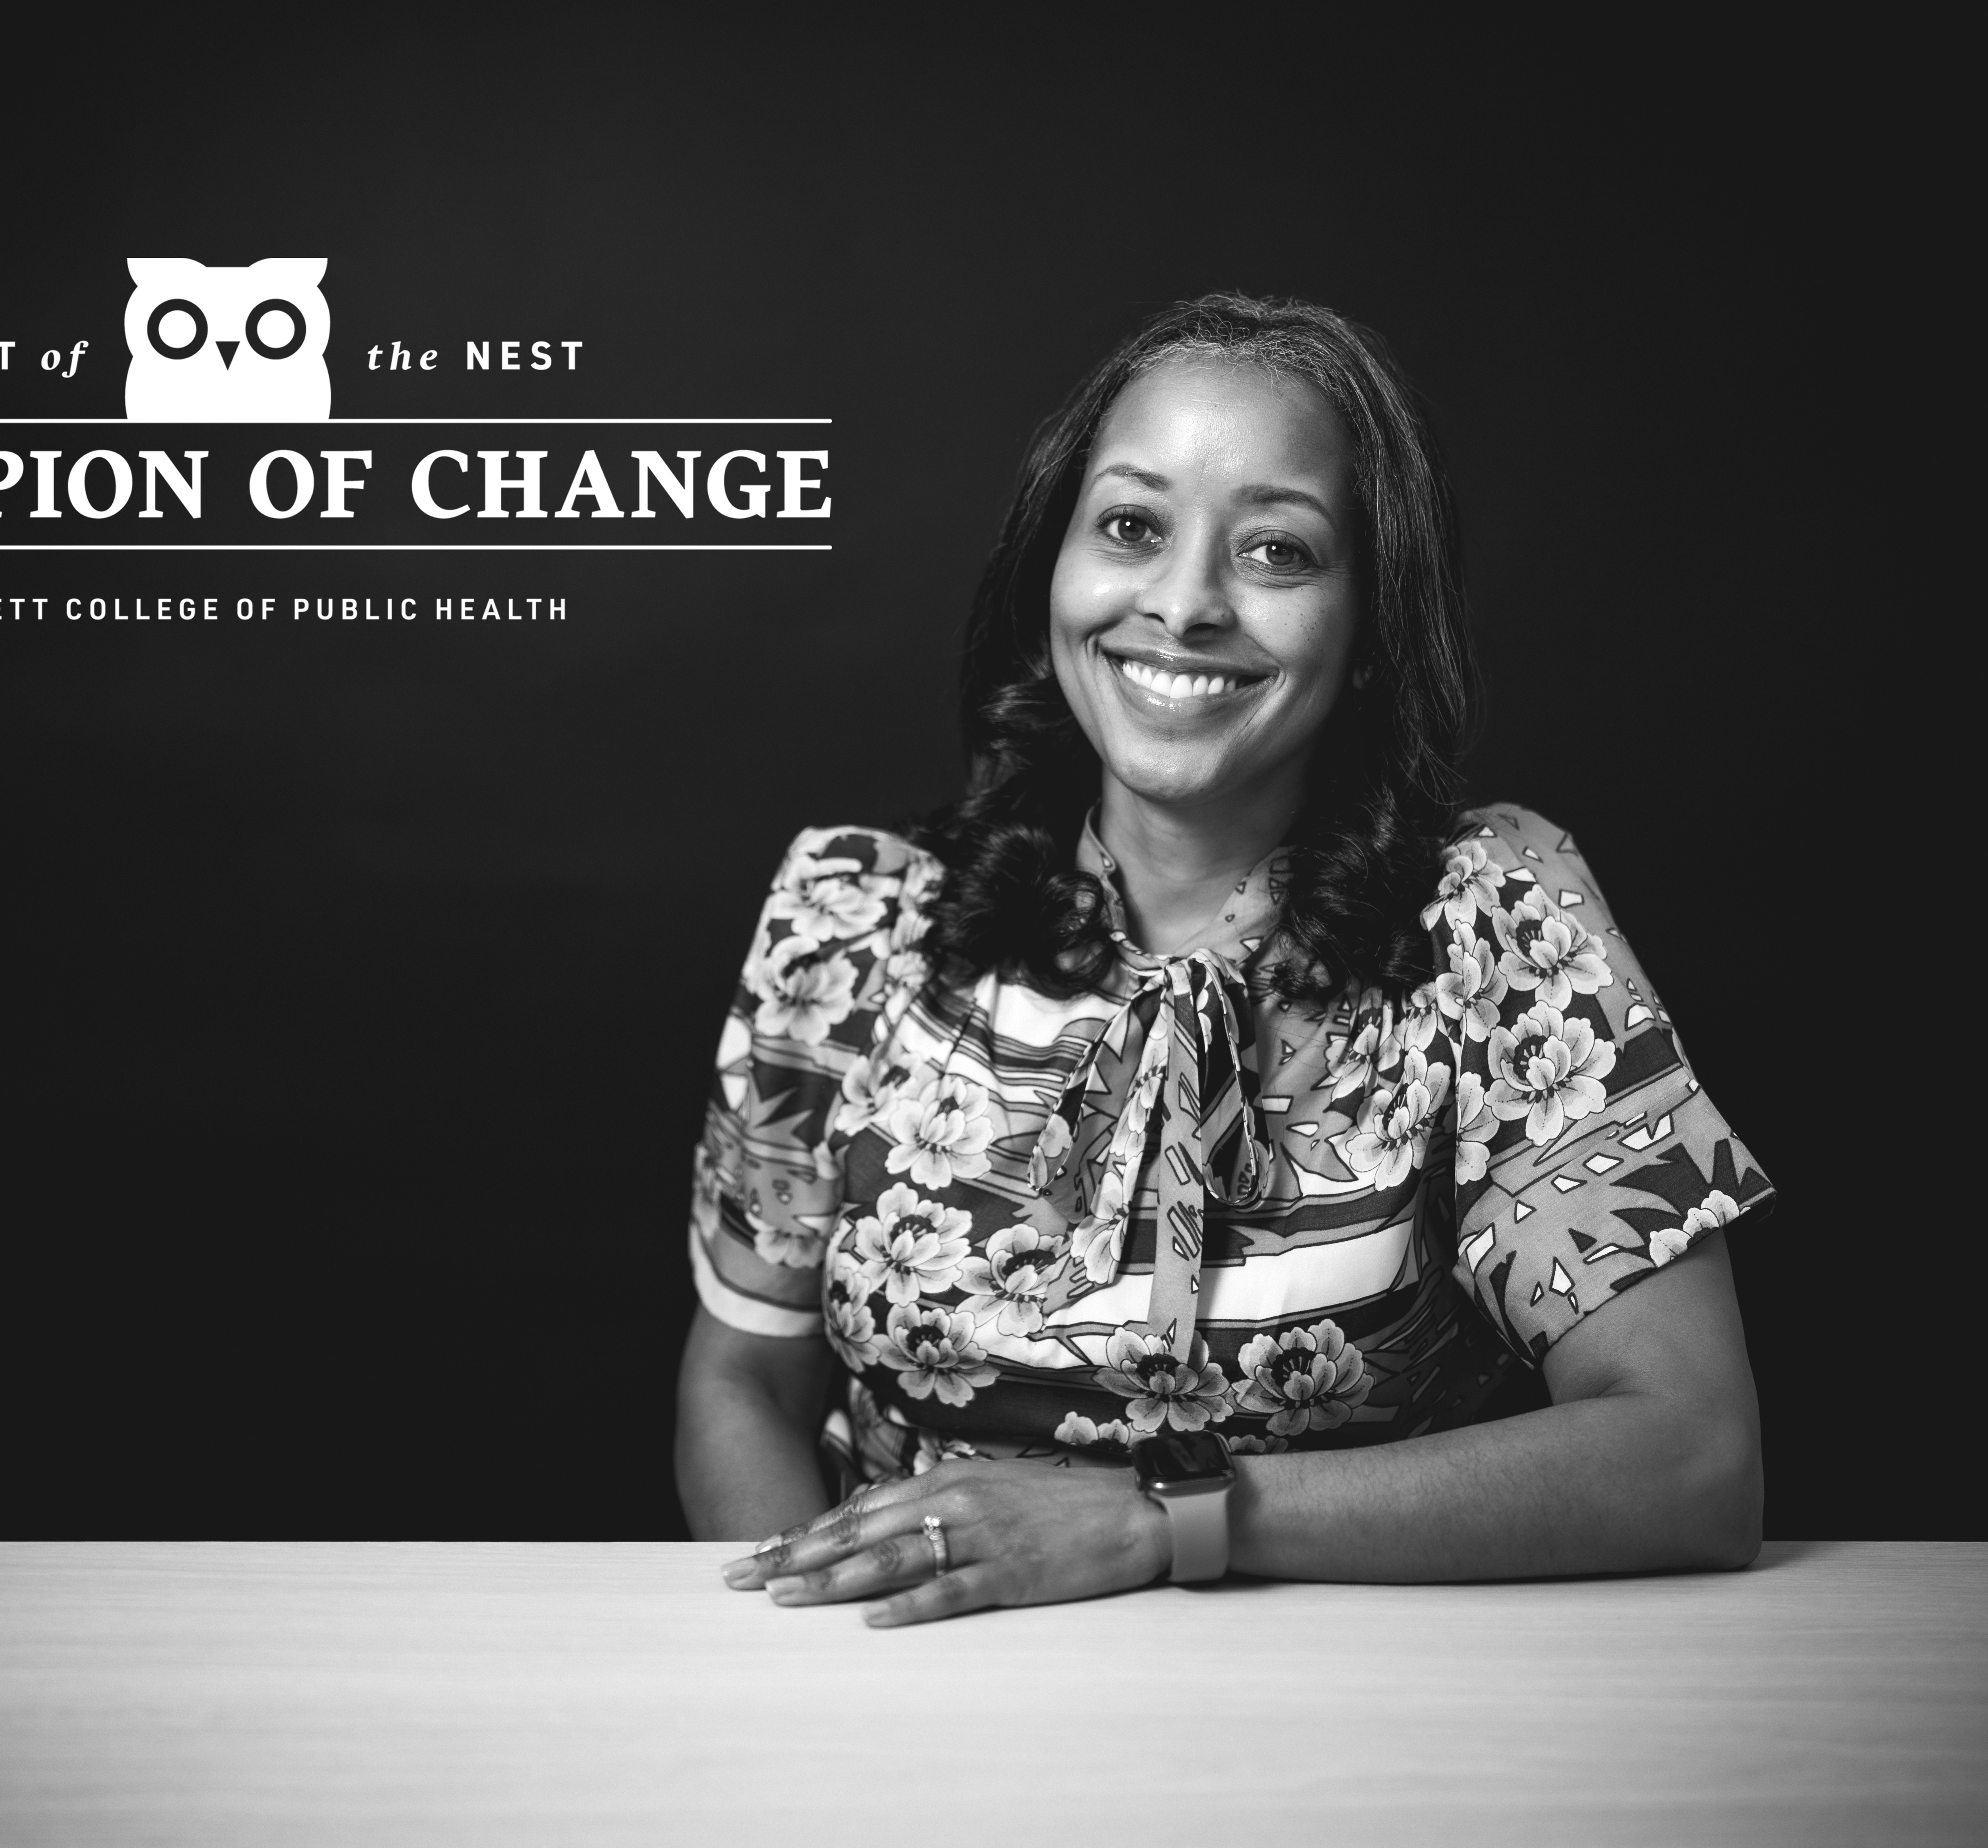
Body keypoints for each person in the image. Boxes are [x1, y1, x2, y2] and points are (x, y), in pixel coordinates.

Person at [674, 293, 1773, 1628]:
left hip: (1350, 1690)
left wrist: (1172, 1521)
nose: (1186, 604)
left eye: (1277, 551)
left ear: (1369, 628)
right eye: (1132, 527)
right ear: (1051, 574)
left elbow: (1692, 1456)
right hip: (916, 1688)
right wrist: (828, 1639)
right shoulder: (852, 921)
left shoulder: (1493, 922)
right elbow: (745, 1380)